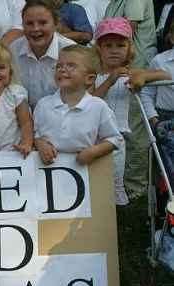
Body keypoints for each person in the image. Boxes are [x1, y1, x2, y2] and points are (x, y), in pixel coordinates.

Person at [92, 17, 170, 205]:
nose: (114, 50)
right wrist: (109, 81)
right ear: (99, 49)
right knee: (95, 174)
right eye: (108, 45)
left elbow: (166, 74)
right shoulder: (93, 75)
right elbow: (91, 100)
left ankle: (119, 207)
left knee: (116, 173)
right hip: (93, 133)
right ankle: (98, 207)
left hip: (118, 133)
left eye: (120, 45)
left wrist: (143, 76)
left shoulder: (131, 73)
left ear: (129, 49)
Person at [34, 45, 123, 166]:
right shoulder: (43, 104)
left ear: (89, 79)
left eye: (71, 65)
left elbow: (115, 139)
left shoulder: (98, 107)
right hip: (48, 175)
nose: (62, 69)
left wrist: (93, 152)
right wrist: (40, 144)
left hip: (85, 174)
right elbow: (34, 133)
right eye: (59, 66)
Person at [9, 0, 75, 109]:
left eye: (43, 23)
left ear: (56, 24)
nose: (35, 29)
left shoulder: (71, 52)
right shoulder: (14, 50)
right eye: (29, 23)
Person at [141, 20, 174, 122]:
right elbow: (147, 92)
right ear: (172, 38)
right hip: (165, 116)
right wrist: (152, 117)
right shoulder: (159, 61)